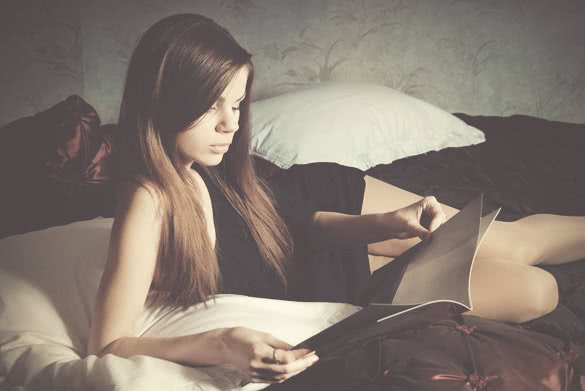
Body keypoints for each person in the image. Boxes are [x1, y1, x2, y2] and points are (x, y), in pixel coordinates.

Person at [87, 13, 585, 386]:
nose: (232, 124)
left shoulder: (215, 162)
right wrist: (220, 344)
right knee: (538, 289)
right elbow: (107, 345)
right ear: (165, 99)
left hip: (333, 204)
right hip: (344, 292)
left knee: (513, 242)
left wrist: (389, 221)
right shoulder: (147, 198)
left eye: (236, 104)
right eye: (211, 106)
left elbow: (303, 222)